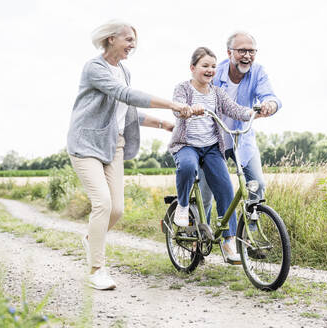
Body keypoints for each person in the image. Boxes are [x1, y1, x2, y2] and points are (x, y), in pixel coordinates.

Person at [66, 20, 193, 290]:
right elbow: (124, 94)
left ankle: (92, 239)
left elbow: (128, 112)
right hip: (86, 144)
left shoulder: (124, 70)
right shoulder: (94, 67)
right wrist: (171, 104)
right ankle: (97, 269)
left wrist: (164, 123)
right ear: (111, 39)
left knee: (117, 209)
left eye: (134, 40)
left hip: (114, 144)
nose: (132, 45)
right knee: (102, 203)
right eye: (128, 39)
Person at [168, 47, 259, 264]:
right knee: (188, 167)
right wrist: (187, 108)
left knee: (225, 188)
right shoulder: (183, 88)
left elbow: (234, 109)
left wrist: (252, 112)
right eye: (205, 66)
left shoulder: (217, 93)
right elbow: (177, 107)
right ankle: (182, 206)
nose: (210, 70)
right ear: (193, 68)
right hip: (186, 145)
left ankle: (228, 241)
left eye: (213, 66)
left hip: (210, 147)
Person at [199, 31, 282, 218]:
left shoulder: (258, 72)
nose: (247, 56)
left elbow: (271, 96)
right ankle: (198, 236)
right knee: (205, 195)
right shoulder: (214, 73)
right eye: (242, 51)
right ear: (229, 53)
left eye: (251, 51)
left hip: (241, 139)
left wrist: (270, 105)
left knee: (257, 185)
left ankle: (249, 237)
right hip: (212, 142)